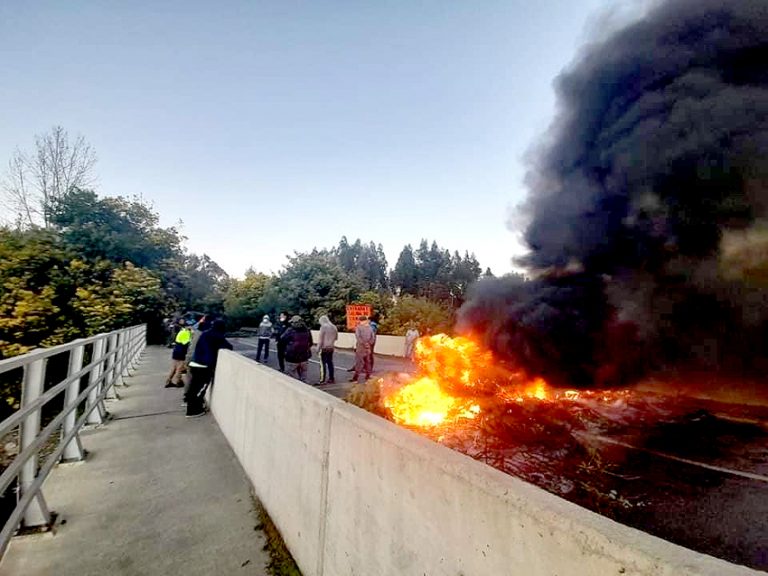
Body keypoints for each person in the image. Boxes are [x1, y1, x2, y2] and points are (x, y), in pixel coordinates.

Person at [185, 319, 232, 418]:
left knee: (193, 387)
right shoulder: (217, 336)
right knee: (200, 388)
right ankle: (194, 410)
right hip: (203, 366)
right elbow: (229, 346)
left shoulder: (205, 334)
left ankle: (190, 407)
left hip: (194, 363)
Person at [280, 316, 313, 382]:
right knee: (304, 376)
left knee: (290, 378)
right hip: (304, 356)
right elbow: (311, 342)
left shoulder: (290, 330)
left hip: (292, 357)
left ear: (293, 322)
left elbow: (282, 339)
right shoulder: (307, 330)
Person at [165, 321, 191, 388]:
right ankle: (177, 381)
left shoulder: (181, 332)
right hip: (181, 352)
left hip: (176, 351)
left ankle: (168, 381)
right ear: (186, 327)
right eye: (189, 326)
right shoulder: (186, 333)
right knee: (180, 368)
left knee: (173, 367)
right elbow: (185, 343)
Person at [351, 316, 375, 383]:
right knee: (368, 362)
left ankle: (355, 378)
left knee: (359, 362)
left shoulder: (358, 327)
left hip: (360, 347)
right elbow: (373, 337)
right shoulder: (370, 328)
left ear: (360, 320)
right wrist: (368, 344)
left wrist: (364, 343)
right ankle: (368, 376)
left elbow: (358, 337)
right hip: (368, 347)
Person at [317, 315, 338, 384]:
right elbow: (336, 338)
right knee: (330, 363)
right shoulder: (334, 327)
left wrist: (318, 349)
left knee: (322, 364)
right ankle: (331, 378)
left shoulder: (323, 327)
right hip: (331, 347)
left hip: (324, 348)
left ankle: (322, 380)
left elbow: (320, 340)